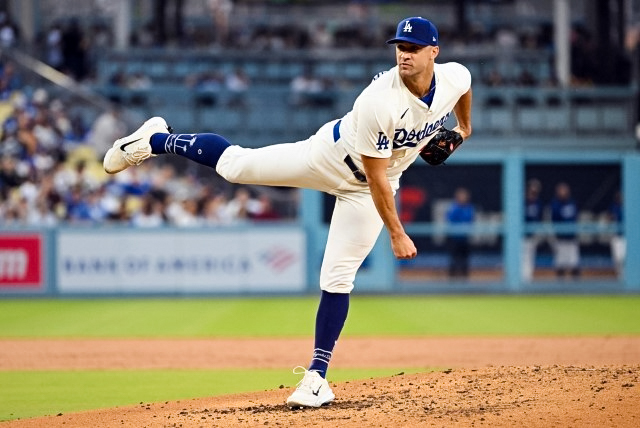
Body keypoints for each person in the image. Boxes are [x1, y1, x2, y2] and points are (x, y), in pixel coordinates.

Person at [103, 16, 472, 408]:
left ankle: (316, 377)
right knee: (235, 167)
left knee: (338, 276)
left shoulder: (455, 76)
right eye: (400, 47)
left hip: (367, 191)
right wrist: (396, 232)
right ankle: (155, 139)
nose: (404, 54)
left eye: (413, 49)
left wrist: (463, 131)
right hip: (329, 159)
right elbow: (377, 175)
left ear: (434, 52)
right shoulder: (380, 99)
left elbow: (463, 91)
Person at [550, 182, 580, 278]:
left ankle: (577, 289)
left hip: (572, 238)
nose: (563, 192)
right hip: (560, 239)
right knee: (560, 264)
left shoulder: (572, 202)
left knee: (574, 264)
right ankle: (559, 289)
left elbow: (575, 218)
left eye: (564, 190)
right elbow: (554, 220)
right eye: (561, 191)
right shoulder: (555, 204)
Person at [446, 187, 475, 278]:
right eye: (461, 196)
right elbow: (450, 219)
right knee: (454, 260)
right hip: (454, 239)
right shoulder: (454, 207)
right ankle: (452, 280)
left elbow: (470, 220)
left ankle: (464, 280)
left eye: (464, 196)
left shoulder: (469, 208)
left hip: (465, 239)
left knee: (465, 260)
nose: (463, 198)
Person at [522, 178, 543, 282]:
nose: (533, 192)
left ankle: (527, 280)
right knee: (519, 258)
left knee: (530, 258)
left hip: (532, 235)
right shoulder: (521, 202)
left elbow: (540, 219)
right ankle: (518, 280)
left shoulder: (538, 203)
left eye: (535, 190)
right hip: (520, 235)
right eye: (532, 189)